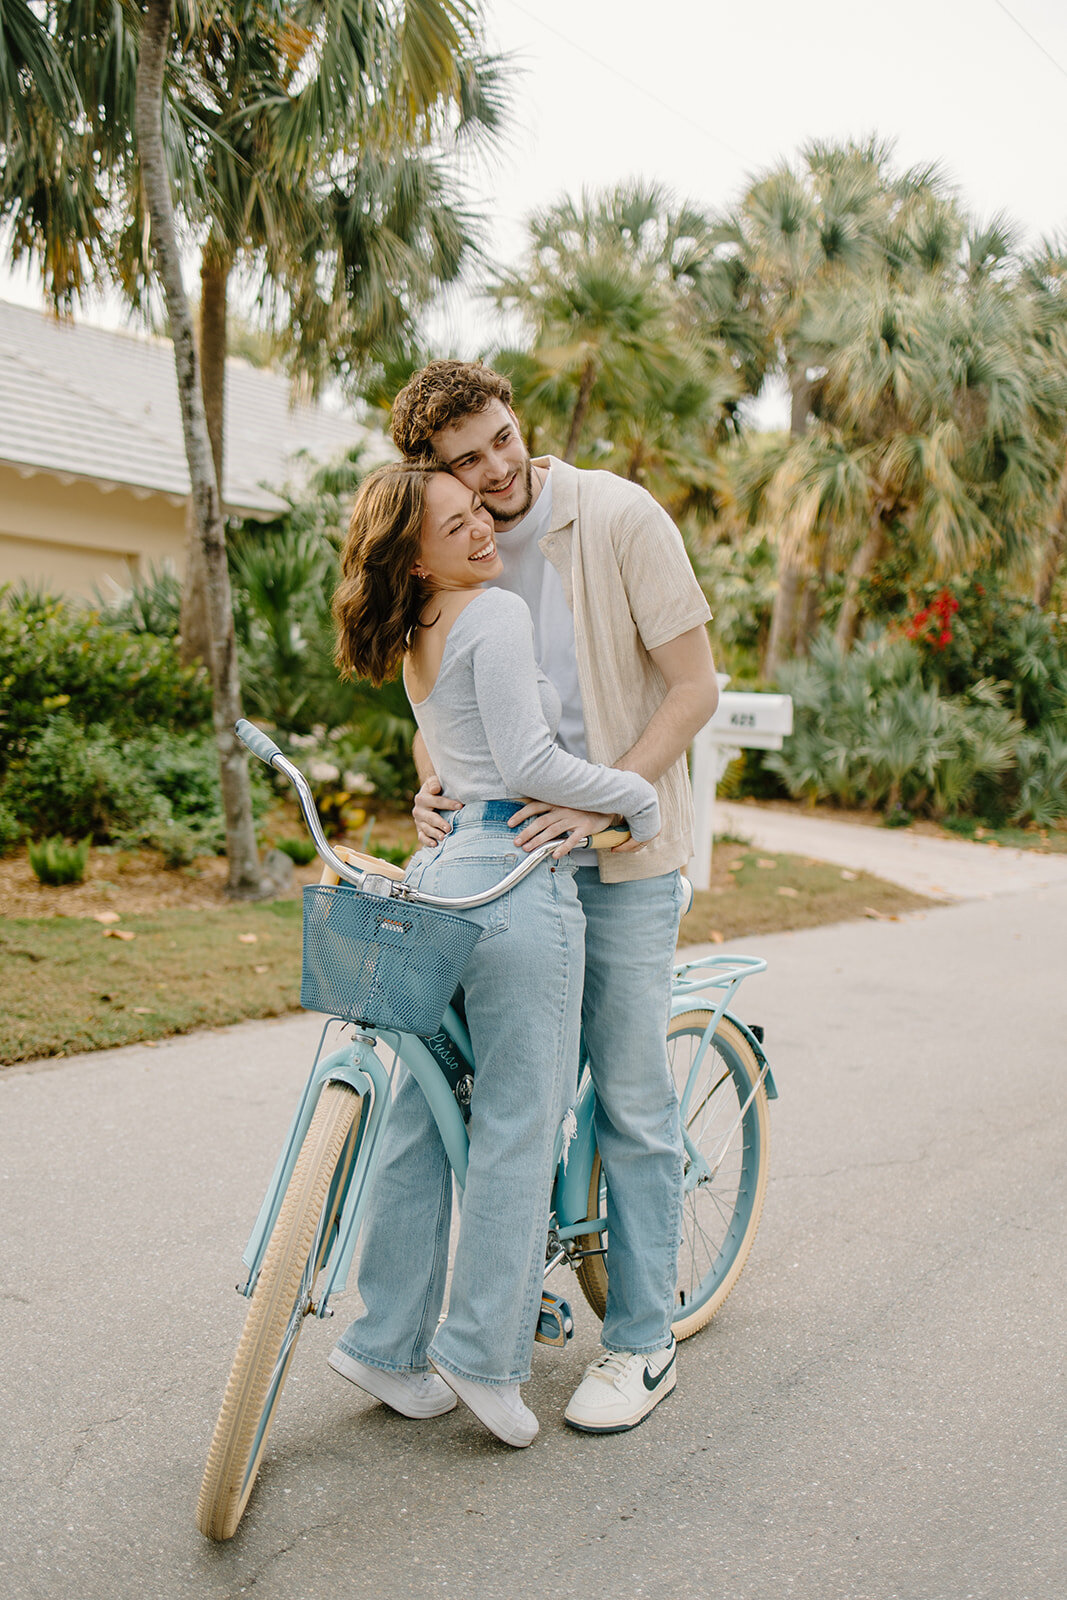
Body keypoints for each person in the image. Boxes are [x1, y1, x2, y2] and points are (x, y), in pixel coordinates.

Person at [391, 359, 719, 1434]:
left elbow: (694, 686)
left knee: (628, 1094)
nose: (497, 467)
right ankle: (500, 1297)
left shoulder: (618, 516)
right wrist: (433, 778)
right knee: (503, 1093)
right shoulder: (458, 550)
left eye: (500, 436)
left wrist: (598, 807)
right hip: (505, 860)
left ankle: (640, 1342)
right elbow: (451, 695)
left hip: (615, 849)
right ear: (437, 476)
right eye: (466, 459)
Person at [327, 461, 661, 1448]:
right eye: (454, 523)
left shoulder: (413, 639)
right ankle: (480, 1357)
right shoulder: (497, 613)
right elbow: (527, 764)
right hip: (518, 879)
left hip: (439, 881)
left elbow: (460, 765)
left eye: (479, 512)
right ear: (414, 557)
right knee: (521, 1115)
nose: (481, 529)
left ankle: (385, 1341)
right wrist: (632, 799)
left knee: (422, 1115)